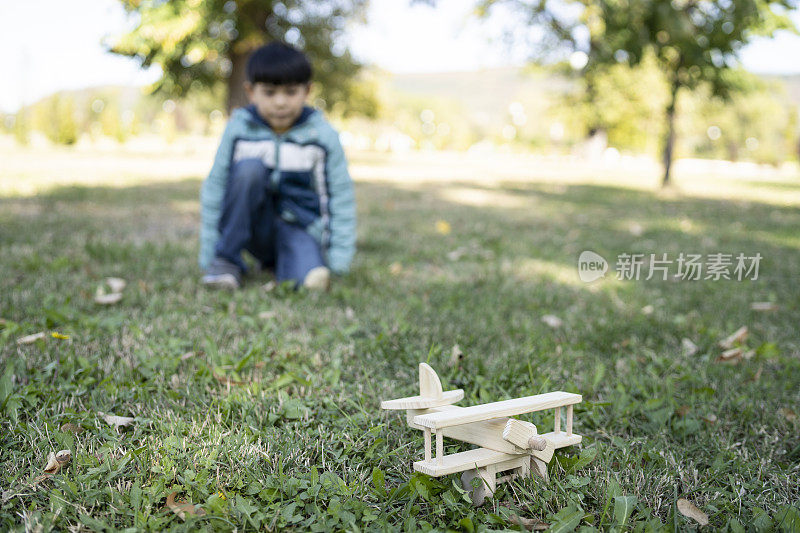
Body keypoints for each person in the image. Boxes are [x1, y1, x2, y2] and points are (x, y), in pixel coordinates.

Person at [198, 41, 356, 290]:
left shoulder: (323, 136)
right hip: (254, 229)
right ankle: (226, 261)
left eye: (291, 92)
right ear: (251, 92)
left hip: (301, 229)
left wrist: (339, 259)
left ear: (307, 91)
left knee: (309, 280)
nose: (281, 102)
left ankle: (291, 265)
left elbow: (339, 197)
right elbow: (216, 188)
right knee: (249, 170)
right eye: (270, 93)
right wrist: (210, 252)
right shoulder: (239, 129)